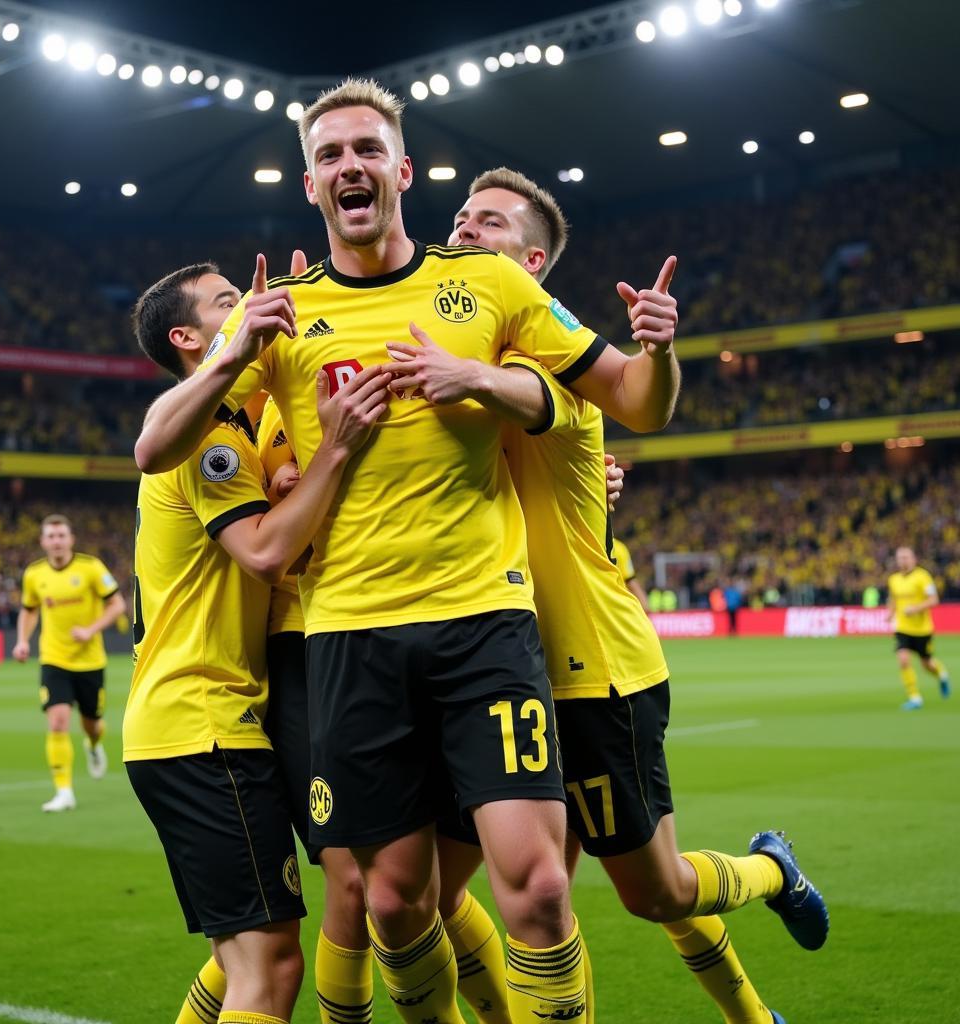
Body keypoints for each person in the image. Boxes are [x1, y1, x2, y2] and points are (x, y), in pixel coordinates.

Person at [134, 77, 682, 1024]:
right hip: (350, 639)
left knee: (543, 890)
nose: (352, 166)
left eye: (367, 150)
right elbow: (155, 448)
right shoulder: (282, 315)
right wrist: (227, 354)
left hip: (486, 623)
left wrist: (658, 350)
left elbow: (637, 400)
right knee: (392, 901)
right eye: (332, 156)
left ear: (402, 169)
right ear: (312, 186)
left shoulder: (491, 286)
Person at [388, 166, 827, 1024]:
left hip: (589, 669)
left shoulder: (552, 360)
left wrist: (657, 351)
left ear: (535, 259)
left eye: (489, 222)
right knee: (426, 899)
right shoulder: (448, 343)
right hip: (480, 673)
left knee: (654, 893)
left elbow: (636, 402)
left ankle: (772, 870)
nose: (464, 229)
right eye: (460, 217)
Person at [125, 261, 390, 1024]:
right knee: (268, 966)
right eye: (225, 302)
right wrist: (334, 450)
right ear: (188, 337)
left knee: (240, 959)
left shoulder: (236, 424)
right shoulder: (207, 431)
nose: (244, 304)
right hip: (202, 726)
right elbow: (268, 553)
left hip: (205, 724)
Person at [13, 514, 126, 812]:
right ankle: (64, 792)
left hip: (90, 661)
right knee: (58, 721)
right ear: (43, 542)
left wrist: (91, 629)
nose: (57, 541)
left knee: (93, 725)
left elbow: (117, 604)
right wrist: (23, 640)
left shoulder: (91, 568)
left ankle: (92, 744)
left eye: (61, 535)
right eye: (51, 536)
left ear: (71, 539)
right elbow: (28, 610)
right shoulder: (34, 575)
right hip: (54, 658)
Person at [886, 546, 951, 710]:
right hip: (903, 627)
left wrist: (915, 608)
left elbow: (934, 599)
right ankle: (915, 697)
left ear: (913, 559)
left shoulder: (923, 577)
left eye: (906, 557)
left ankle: (942, 675)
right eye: (900, 557)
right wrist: (890, 613)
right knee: (903, 659)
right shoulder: (893, 579)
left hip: (922, 629)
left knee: (927, 664)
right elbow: (894, 599)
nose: (903, 560)